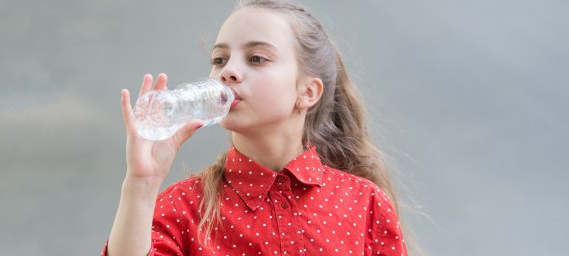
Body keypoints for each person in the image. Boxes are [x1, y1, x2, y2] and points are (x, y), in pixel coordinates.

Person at [104, 0, 410, 255]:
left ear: (308, 92)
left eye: (256, 58)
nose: (229, 72)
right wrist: (140, 185)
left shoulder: (364, 202)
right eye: (219, 59)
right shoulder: (182, 207)